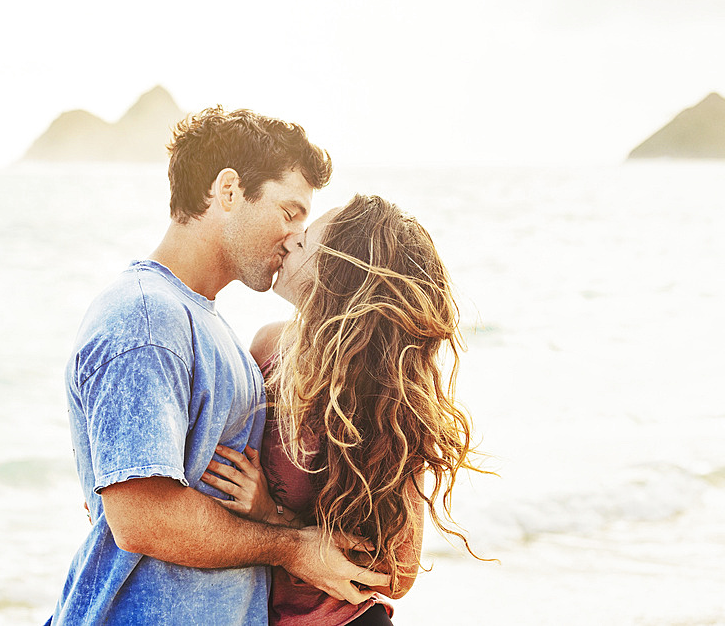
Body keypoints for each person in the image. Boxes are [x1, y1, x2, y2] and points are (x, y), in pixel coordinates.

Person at [46, 108, 389, 625]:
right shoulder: (146, 317)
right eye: (290, 211)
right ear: (228, 191)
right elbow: (142, 518)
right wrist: (292, 547)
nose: (296, 237)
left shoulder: (204, 322)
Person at [201, 194, 487, 625]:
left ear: (339, 275)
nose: (293, 238)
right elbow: (213, 460)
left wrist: (274, 516)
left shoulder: (382, 402)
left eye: (308, 240)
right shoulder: (268, 349)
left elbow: (398, 574)